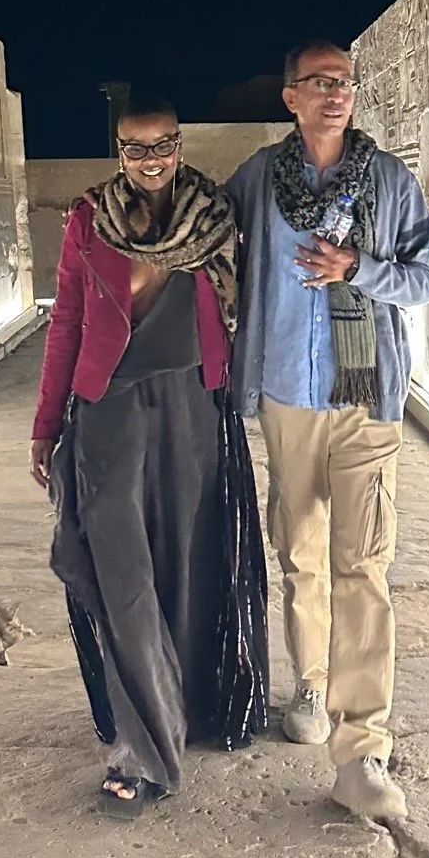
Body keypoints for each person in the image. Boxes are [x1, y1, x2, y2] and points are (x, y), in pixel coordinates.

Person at [31, 96, 268, 811]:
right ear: (118, 151)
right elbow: (67, 319)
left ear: (180, 144)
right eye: (135, 148)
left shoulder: (215, 214)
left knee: (187, 565)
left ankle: (182, 705)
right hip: (107, 407)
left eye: (162, 144)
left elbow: (251, 301)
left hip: (193, 403)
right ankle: (141, 749)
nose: (151, 159)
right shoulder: (87, 218)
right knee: (119, 572)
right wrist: (47, 423)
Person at [226, 42, 429, 821]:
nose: (336, 94)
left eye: (345, 82)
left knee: (363, 564)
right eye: (320, 83)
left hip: (364, 396)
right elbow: (209, 243)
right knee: (300, 553)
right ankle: (309, 682)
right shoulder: (259, 181)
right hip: (287, 391)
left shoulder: (387, 181)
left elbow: (427, 275)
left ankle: (362, 749)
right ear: (290, 96)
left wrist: (357, 268)